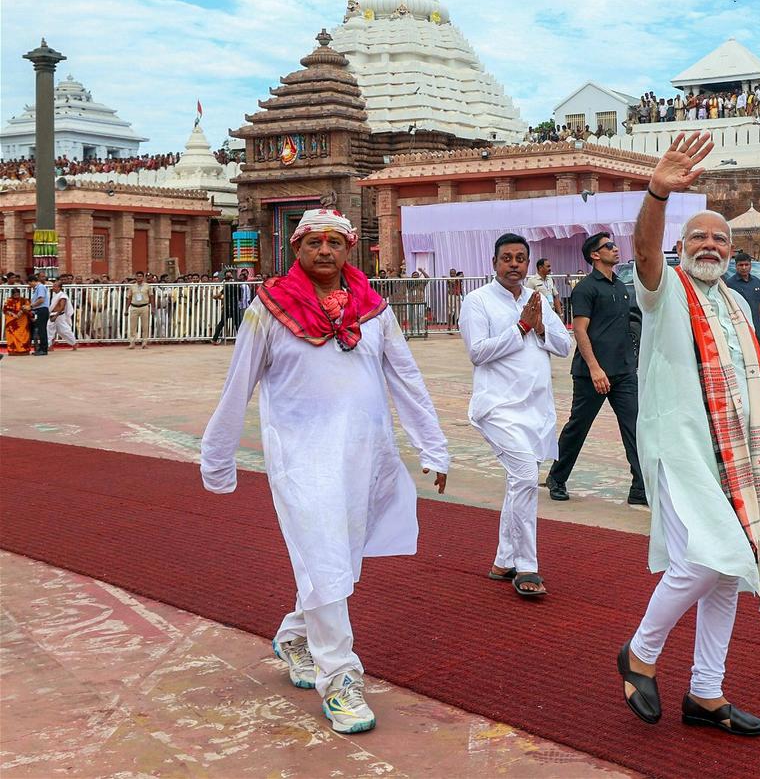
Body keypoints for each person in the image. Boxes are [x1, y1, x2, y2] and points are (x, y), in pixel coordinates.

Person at [201, 208, 450, 735]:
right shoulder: (269, 308)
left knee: (338, 558)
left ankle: (295, 634)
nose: (324, 251)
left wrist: (433, 446)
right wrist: (217, 456)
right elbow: (238, 382)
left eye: (335, 242)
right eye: (313, 242)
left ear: (349, 249)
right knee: (325, 554)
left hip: (364, 455)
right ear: (296, 250)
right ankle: (339, 678)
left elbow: (405, 376)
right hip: (299, 458)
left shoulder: (374, 309)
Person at [618, 132, 760, 737]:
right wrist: (657, 191)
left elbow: (756, 384)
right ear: (682, 246)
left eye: (720, 238)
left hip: (741, 455)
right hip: (680, 447)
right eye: (698, 236)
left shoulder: (734, 305)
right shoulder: (665, 290)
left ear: (733, 253)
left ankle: (705, 693)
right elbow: (645, 250)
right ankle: (639, 652)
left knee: (731, 572)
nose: (709, 244)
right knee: (711, 558)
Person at [459, 233, 571, 599]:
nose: (514, 265)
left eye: (520, 258)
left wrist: (539, 326)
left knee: (519, 482)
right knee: (524, 475)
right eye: (506, 258)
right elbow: (478, 352)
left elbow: (564, 345)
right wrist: (520, 327)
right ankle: (527, 565)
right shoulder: (477, 301)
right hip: (497, 409)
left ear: (527, 263)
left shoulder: (537, 300)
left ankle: (503, 560)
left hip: (535, 410)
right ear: (494, 263)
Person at [545, 231, 646, 507]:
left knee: (635, 428)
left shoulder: (620, 287)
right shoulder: (585, 289)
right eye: (608, 246)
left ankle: (639, 487)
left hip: (624, 371)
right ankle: (557, 477)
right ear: (594, 254)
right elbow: (580, 330)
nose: (615, 249)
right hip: (593, 373)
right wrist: (595, 368)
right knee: (578, 427)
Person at [724, 251, 760, 362]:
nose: (744, 268)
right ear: (736, 266)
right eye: (740, 265)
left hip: (755, 326)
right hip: (739, 328)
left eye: (746, 265)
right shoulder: (730, 284)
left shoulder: (756, 282)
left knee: (758, 354)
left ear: (750, 265)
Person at [211, 269, 242, 344]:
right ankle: (241, 340)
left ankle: (214, 339)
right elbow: (240, 298)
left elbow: (218, 295)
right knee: (238, 324)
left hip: (227, 307)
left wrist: (214, 297)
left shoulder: (226, 286)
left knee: (222, 323)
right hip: (234, 306)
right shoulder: (237, 286)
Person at [47, 280, 79, 350]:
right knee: (49, 330)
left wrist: (56, 316)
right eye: (53, 286)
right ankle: (50, 346)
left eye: (55, 286)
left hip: (59, 316)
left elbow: (62, 307)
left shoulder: (62, 296)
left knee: (64, 331)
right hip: (52, 315)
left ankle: (74, 344)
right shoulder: (55, 295)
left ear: (59, 288)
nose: (53, 288)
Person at [126, 270, 154, 349]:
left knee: (145, 326)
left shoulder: (147, 286)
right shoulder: (132, 286)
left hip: (144, 306)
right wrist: (126, 308)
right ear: (136, 277)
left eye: (141, 276)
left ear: (143, 277)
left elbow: (151, 297)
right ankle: (132, 342)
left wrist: (153, 308)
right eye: (138, 276)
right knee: (132, 326)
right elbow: (129, 297)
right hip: (134, 306)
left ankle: (144, 342)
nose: (139, 278)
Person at [3, 288, 32, 355]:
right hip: (12, 322)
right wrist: (13, 315)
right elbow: (5, 310)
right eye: (15, 295)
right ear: (12, 294)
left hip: (22, 321)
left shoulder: (24, 300)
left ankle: (24, 351)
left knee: (24, 335)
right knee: (12, 336)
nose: (17, 296)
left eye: (18, 294)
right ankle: (13, 351)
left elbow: (29, 308)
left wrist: (23, 310)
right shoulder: (8, 301)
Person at [29, 272, 50, 356]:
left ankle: (44, 349)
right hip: (39, 310)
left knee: (42, 330)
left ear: (32, 281)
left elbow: (41, 300)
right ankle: (41, 348)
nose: (30, 285)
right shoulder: (37, 288)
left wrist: (31, 306)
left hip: (42, 310)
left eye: (30, 283)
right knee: (40, 331)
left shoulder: (40, 287)